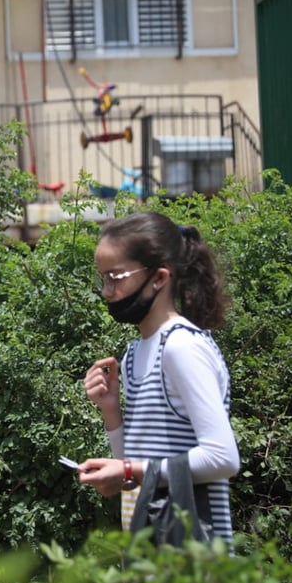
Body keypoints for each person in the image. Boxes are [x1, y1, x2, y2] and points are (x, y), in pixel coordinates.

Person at [78, 211, 240, 548]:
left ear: (159, 278)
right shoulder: (135, 352)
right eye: (102, 279)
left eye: (116, 277)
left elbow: (223, 458)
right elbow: (139, 467)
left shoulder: (180, 347)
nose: (107, 291)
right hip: (152, 552)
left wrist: (127, 472)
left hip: (194, 563)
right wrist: (111, 411)